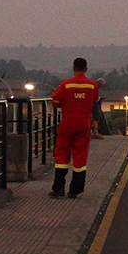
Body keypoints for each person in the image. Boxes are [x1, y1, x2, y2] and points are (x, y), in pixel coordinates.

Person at [50, 58, 100, 198]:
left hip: (67, 124)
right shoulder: (92, 85)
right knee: (80, 157)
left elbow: (55, 101)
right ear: (86, 68)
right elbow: (95, 101)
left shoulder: (66, 84)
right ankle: (75, 190)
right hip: (84, 124)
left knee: (61, 155)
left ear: (74, 67)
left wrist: (64, 105)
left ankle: (58, 189)